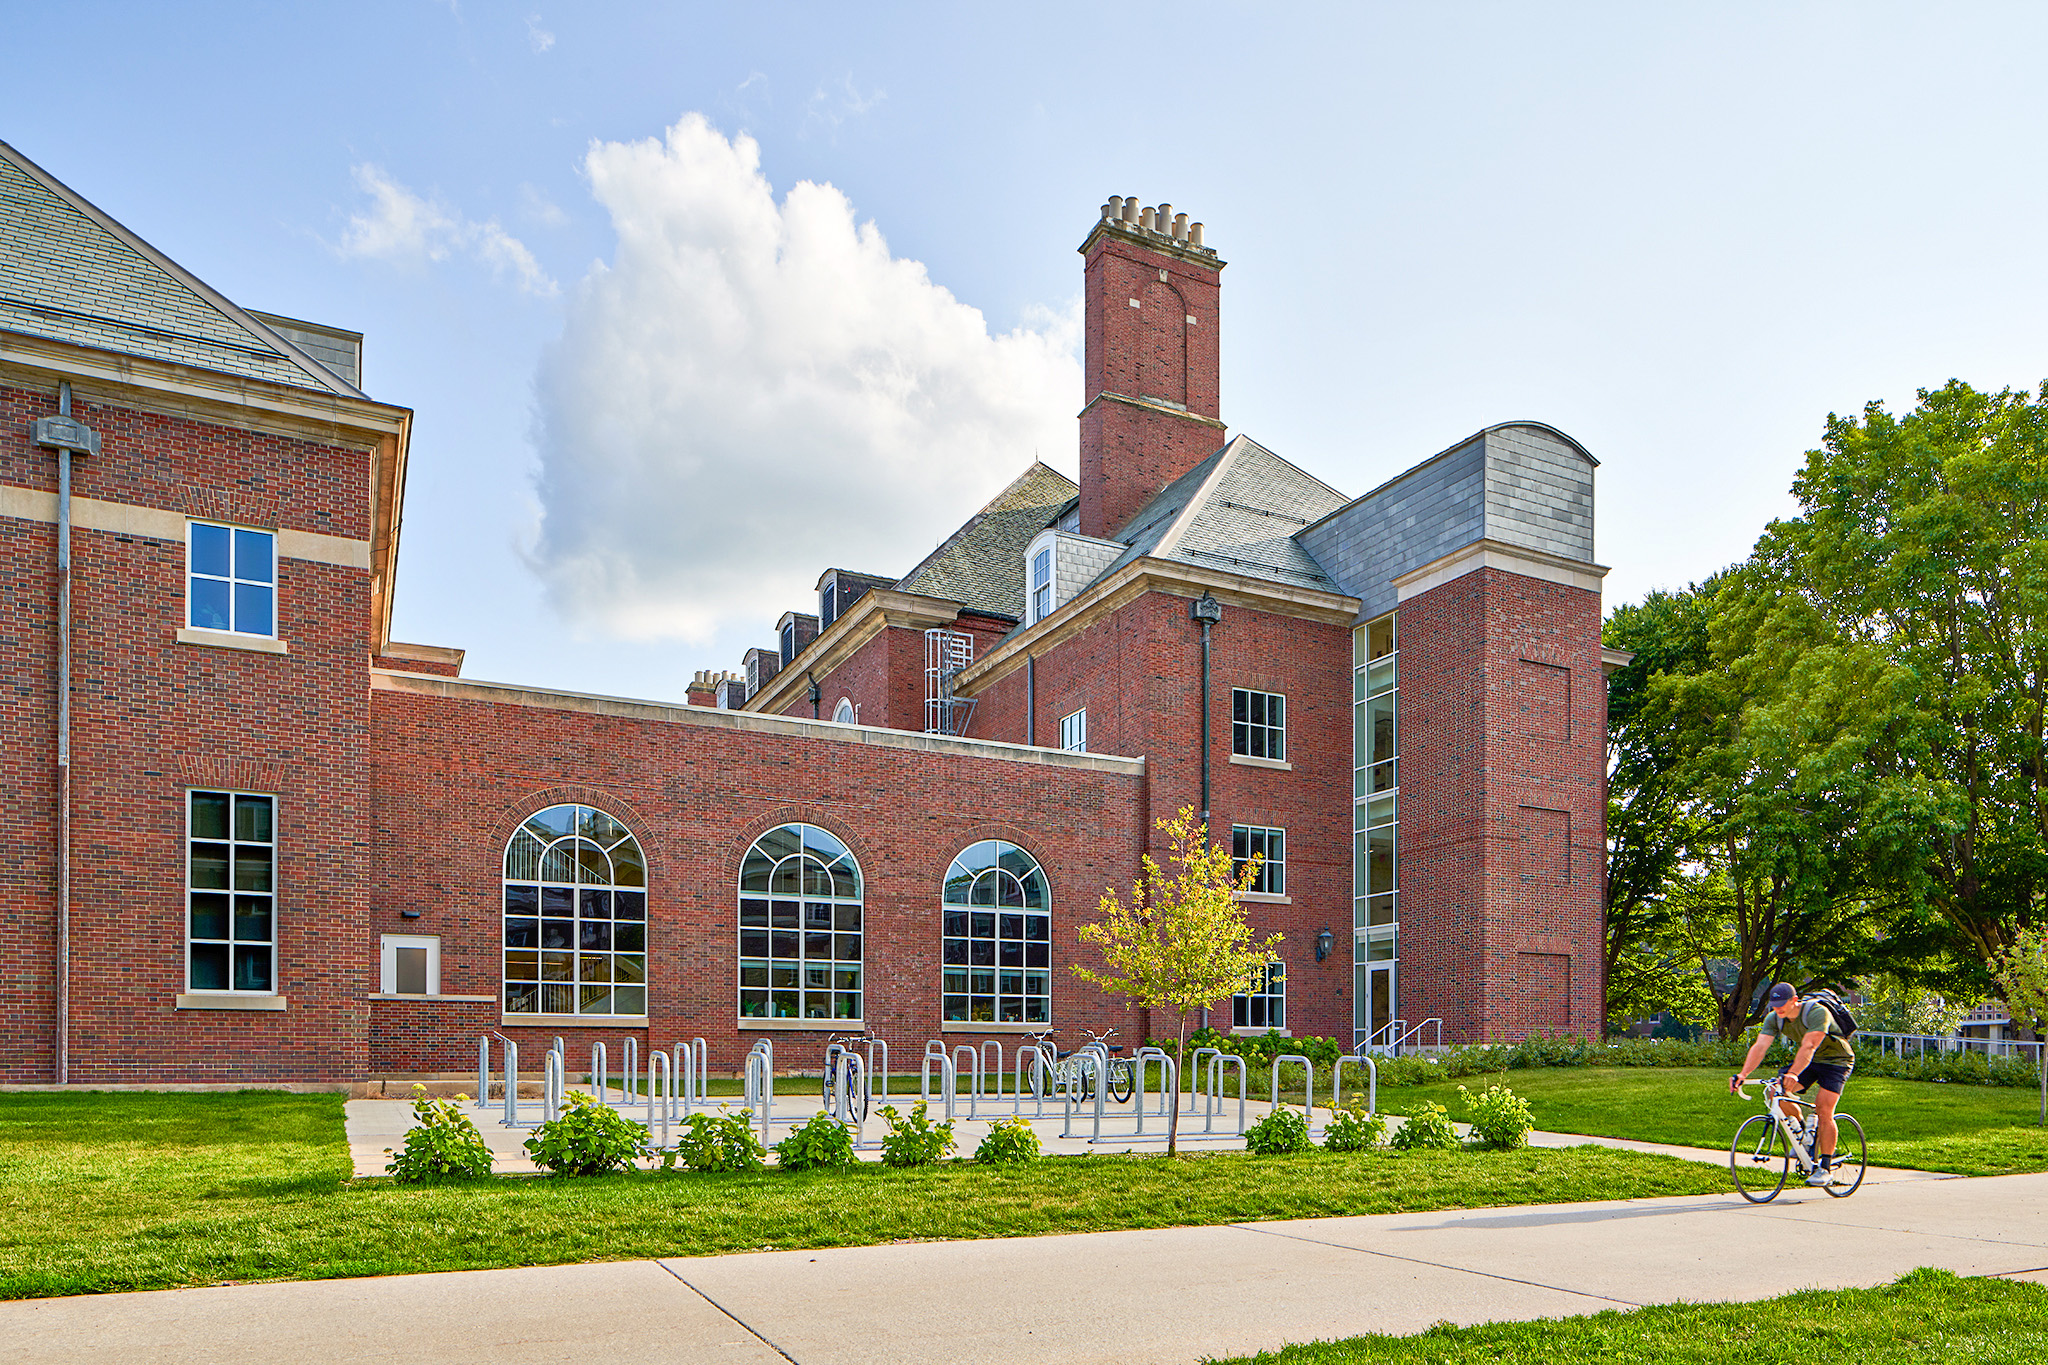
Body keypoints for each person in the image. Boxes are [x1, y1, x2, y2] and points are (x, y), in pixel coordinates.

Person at [1730, 982, 1855, 1185]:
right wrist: (1742, 1074)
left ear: (1794, 1000)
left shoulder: (1816, 1012)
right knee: (1775, 1091)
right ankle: (1805, 1136)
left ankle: (1825, 1167)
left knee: (1824, 1110)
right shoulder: (1775, 1019)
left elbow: (1809, 1045)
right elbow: (1760, 1046)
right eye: (1774, 1004)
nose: (1777, 1009)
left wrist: (1794, 1073)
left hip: (1836, 1061)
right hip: (1810, 1061)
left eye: (1782, 1004)